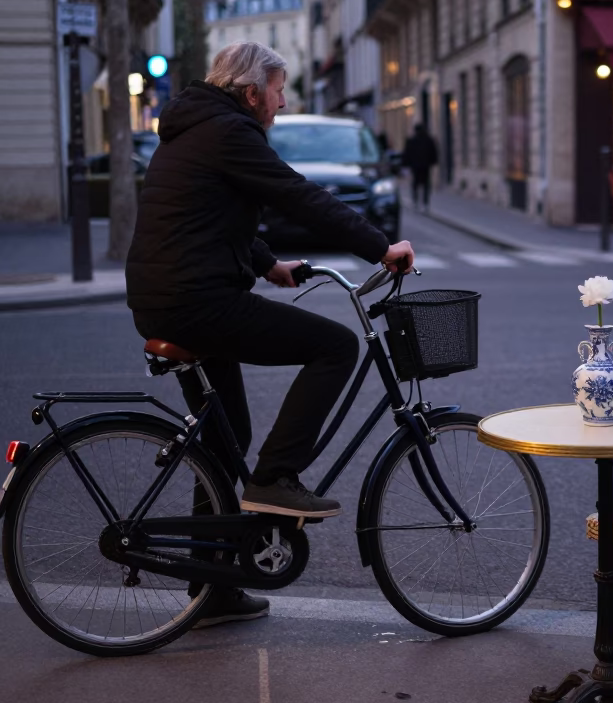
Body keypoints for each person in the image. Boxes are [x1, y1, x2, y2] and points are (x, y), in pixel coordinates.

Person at [126, 42, 415, 626]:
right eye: (279, 91)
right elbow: (298, 195)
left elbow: (211, 216)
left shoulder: (196, 127)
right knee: (335, 345)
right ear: (252, 90)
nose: (282, 104)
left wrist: (267, 264)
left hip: (167, 297)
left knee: (224, 432)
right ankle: (275, 480)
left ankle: (211, 587)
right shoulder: (231, 132)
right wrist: (381, 247)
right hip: (195, 301)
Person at [402, 123, 439, 211]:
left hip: (415, 166)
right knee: (425, 184)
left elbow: (407, 154)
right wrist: (433, 162)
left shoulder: (412, 140)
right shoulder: (429, 140)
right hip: (425, 166)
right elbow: (433, 153)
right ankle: (425, 203)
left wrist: (405, 165)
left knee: (415, 184)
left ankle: (415, 201)